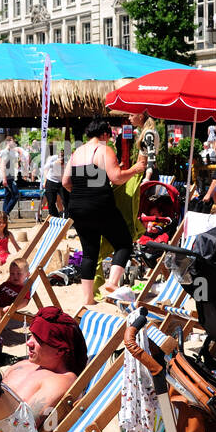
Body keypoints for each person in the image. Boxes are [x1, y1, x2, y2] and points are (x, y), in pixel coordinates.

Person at [62, 119, 146, 307]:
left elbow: (65, 183)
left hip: (77, 207)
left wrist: (82, 195)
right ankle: (112, 283)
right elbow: (116, 178)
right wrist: (134, 169)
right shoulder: (104, 150)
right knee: (124, 242)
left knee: (89, 253)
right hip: (100, 204)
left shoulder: (77, 152)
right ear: (105, 134)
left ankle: (87, 299)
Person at [0, 137, 23, 215]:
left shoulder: (10, 152)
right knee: (15, 195)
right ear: (8, 142)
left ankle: (4, 215)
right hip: (7, 177)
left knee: (8, 196)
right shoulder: (5, 152)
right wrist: (4, 178)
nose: (14, 143)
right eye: (13, 142)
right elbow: (2, 165)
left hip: (10, 177)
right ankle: (5, 213)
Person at [42, 145, 66, 218]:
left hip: (62, 183)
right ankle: (54, 217)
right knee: (51, 202)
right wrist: (54, 163)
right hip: (51, 181)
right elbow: (45, 167)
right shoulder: (53, 158)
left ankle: (66, 216)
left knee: (65, 201)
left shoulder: (67, 161)